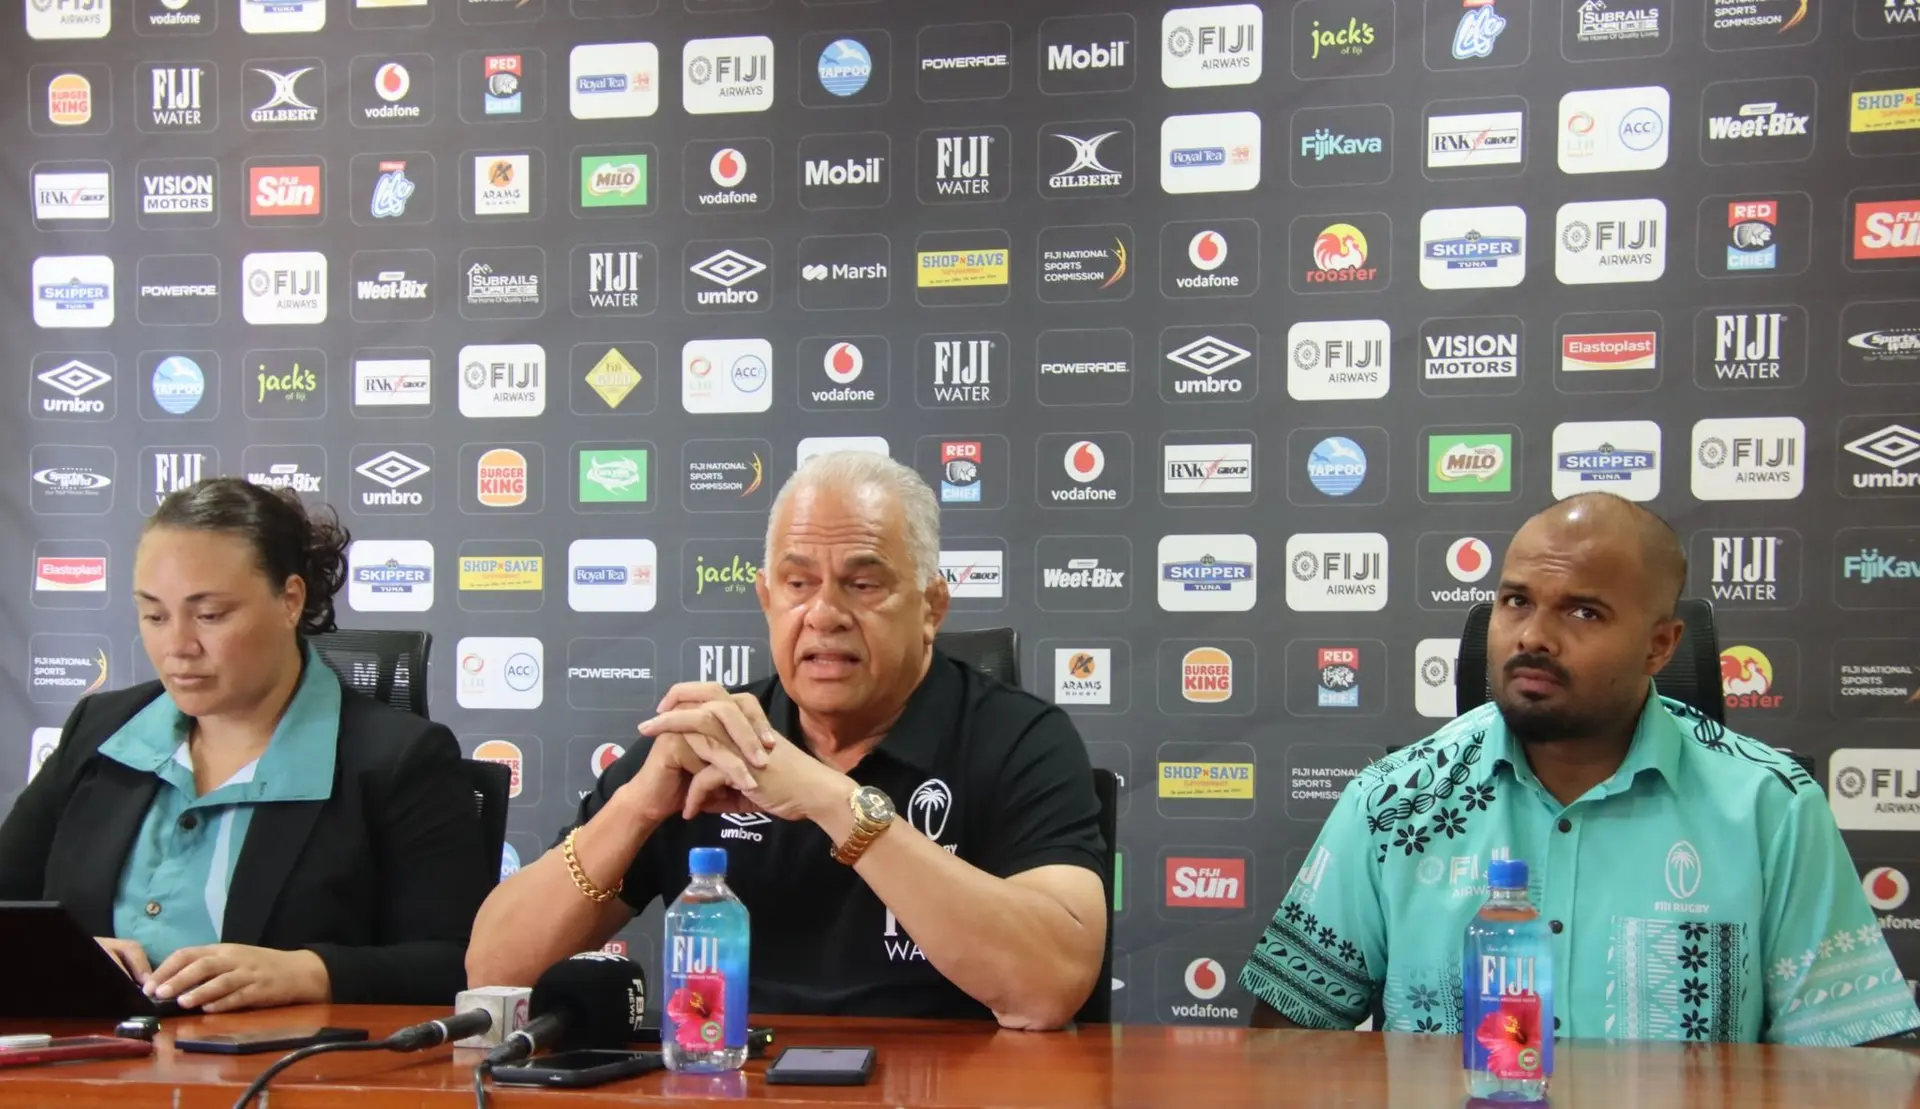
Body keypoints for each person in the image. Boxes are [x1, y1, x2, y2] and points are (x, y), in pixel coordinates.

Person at [1240, 492, 1920, 1047]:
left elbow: (1853, 1066)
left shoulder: (1770, 806)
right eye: (1516, 601)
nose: (1534, 634)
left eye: (1583, 610)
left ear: (1660, 644)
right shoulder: (1395, 800)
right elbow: (1285, 1041)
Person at [467, 451, 1109, 1029]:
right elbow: (493, 970)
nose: (824, 614)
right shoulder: (710, 741)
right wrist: (637, 808)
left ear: (931, 607)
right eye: (798, 584)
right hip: (733, 1084)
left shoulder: (1021, 738)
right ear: (767, 598)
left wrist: (831, 799)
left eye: (862, 584)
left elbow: (1048, 990)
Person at [0, 478, 492, 1012]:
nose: (177, 647)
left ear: (290, 600)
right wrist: (70, 957)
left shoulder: (399, 760)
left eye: (209, 615)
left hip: (280, 1080)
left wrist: (312, 971)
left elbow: (462, 963)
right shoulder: (101, 728)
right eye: (154, 615)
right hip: (88, 1074)